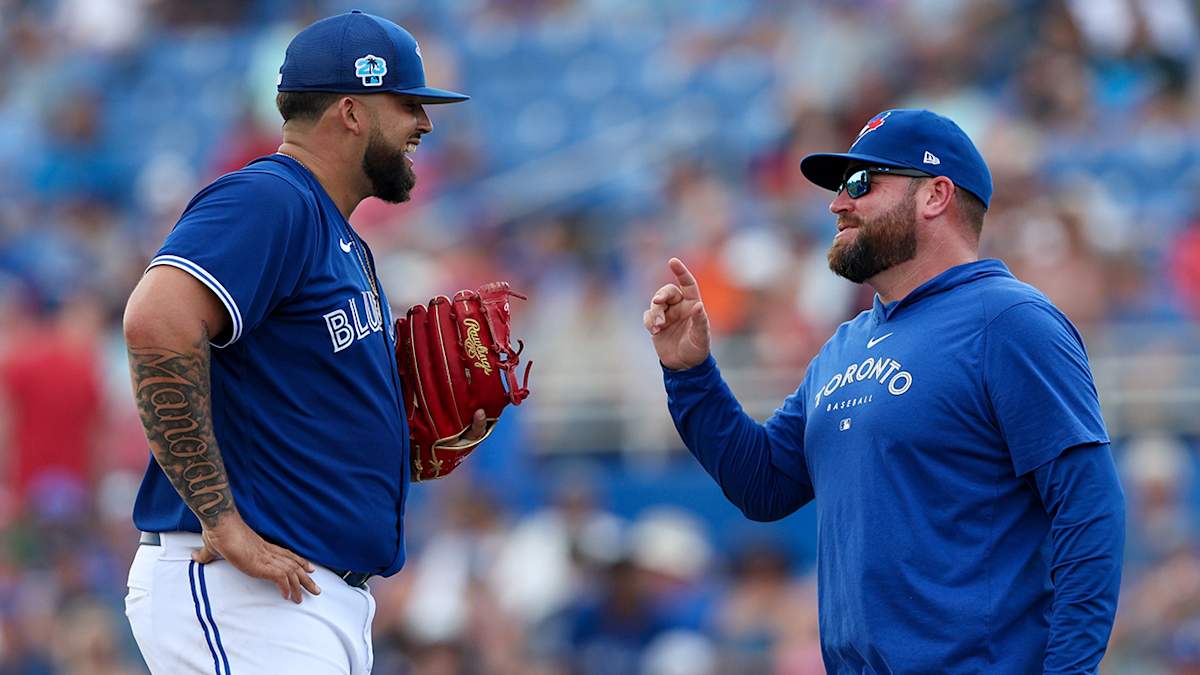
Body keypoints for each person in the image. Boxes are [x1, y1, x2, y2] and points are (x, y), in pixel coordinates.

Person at [644, 109, 1125, 674]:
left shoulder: (1009, 320)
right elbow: (764, 484)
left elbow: (1089, 512)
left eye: (860, 182)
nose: (837, 203)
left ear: (936, 195)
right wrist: (691, 373)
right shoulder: (844, 346)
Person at [121, 11, 483, 674]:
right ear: (351, 111)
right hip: (246, 590)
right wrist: (220, 517)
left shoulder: (337, 235)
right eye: (408, 105)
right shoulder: (271, 198)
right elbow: (155, 321)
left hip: (306, 598)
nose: (424, 125)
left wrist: (401, 436)